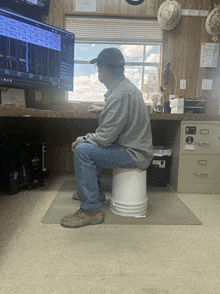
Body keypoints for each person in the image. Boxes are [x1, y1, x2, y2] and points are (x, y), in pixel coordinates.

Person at [60, 47, 153, 228]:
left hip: (133, 153)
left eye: (98, 69)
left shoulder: (119, 94)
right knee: (87, 147)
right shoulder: (124, 89)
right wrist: (103, 109)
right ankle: (94, 193)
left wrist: (81, 139)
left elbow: (104, 138)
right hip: (136, 148)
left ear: (103, 70)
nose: (98, 73)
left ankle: (91, 210)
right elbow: (121, 112)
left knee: (82, 151)